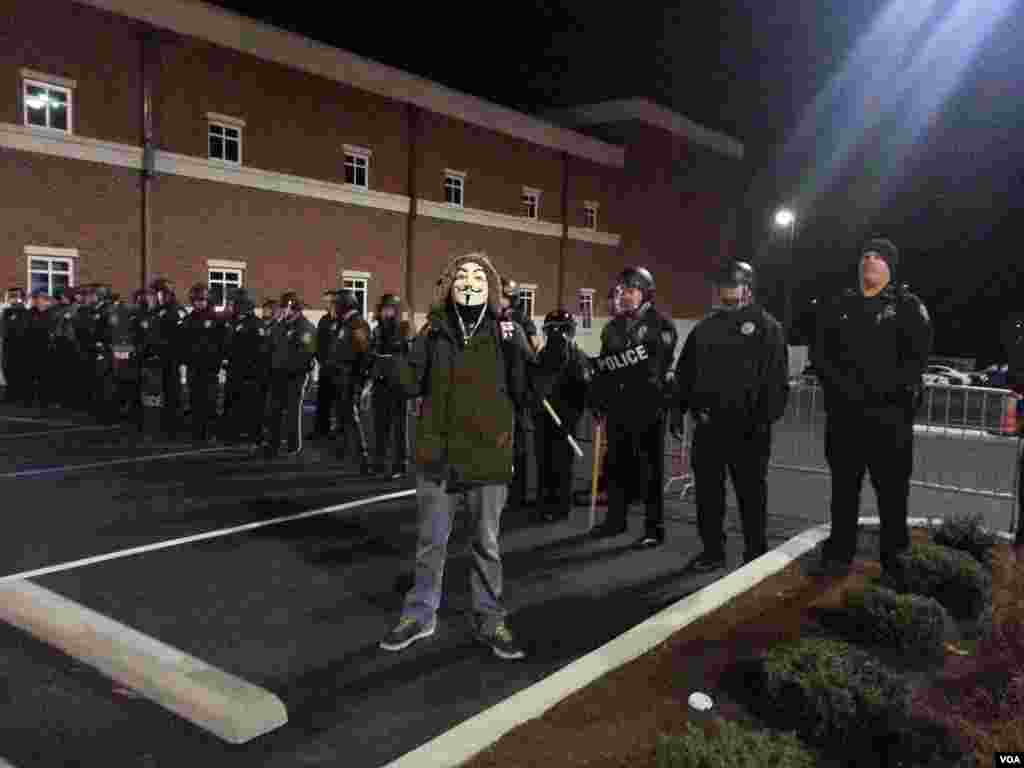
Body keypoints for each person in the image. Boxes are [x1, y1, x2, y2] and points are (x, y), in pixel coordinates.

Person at [379, 251, 552, 661]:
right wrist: (387, 361)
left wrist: (547, 365)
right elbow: (410, 383)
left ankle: (489, 617)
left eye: (478, 276)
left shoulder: (507, 332)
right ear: (448, 285)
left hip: (488, 458)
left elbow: (526, 392)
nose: (469, 281)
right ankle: (420, 614)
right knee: (429, 543)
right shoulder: (433, 332)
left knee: (486, 545)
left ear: (491, 287)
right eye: (461, 275)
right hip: (438, 457)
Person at [812, 238, 933, 575]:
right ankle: (839, 553)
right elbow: (820, 354)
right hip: (845, 418)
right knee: (843, 491)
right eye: (865, 255)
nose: (870, 260)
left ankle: (895, 559)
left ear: (890, 267)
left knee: (892, 494)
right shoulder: (839, 305)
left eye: (878, 257)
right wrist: (842, 388)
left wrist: (880, 391)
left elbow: (916, 360)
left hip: (889, 420)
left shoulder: (908, 307)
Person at [670, 260, 790, 570]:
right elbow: (685, 373)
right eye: (722, 286)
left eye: (732, 285)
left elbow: (777, 382)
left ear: (747, 289)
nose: (725, 292)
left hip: (749, 430)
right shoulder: (706, 328)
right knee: (709, 496)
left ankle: (755, 554)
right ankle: (712, 551)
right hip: (709, 427)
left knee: (751, 496)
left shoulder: (767, 327)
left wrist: (763, 420)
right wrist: (678, 408)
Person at [588, 266, 678, 548]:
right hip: (618, 408)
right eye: (621, 291)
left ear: (645, 293)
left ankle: (654, 527)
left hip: (648, 408)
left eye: (630, 290)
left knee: (650, 471)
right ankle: (615, 520)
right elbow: (604, 367)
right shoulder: (613, 327)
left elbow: (657, 366)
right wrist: (599, 399)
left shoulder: (660, 325)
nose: (624, 296)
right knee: (616, 466)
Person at [532, 309, 592, 523]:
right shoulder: (541, 355)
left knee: (562, 464)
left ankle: (560, 506)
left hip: (565, 420)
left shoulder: (577, 356)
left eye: (562, 330)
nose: (558, 334)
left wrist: (571, 417)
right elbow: (535, 382)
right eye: (553, 330)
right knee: (544, 462)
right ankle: (545, 503)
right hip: (543, 417)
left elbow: (583, 389)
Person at [497, 277, 537, 512]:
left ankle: (517, 494)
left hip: (517, 388)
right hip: (496, 387)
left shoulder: (520, 319)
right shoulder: (491, 319)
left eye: (502, 296)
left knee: (518, 444)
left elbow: (534, 347)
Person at [264, 292, 316, 458]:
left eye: (285, 308)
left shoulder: (305, 327)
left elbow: (305, 354)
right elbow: (272, 346)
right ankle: (273, 443)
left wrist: (290, 368)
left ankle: (294, 446)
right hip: (279, 374)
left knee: (293, 411)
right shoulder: (280, 326)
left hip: (296, 376)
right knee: (274, 409)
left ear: (295, 309)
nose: (282, 311)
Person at [327, 289, 372, 473]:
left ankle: (364, 458)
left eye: (336, 304)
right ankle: (342, 453)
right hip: (340, 376)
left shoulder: (357, 324)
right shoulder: (343, 324)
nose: (333, 308)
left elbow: (365, 353)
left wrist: (360, 381)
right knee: (341, 416)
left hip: (351, 377)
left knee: (352, 418)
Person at [368, 293, 412, 478]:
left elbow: (408, 355)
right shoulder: (377, 330)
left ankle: (400, 465)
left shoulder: (404, 329)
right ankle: (378, 463)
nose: (385, 312)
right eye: (384, 308)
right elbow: (373, 353)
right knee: (379, 425)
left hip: (398, 383)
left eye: (389, 309)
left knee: (398, 428)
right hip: (380, 381)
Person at [222, 288, 269, 449]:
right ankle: (234, 433)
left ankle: (254, 436)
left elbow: (260, 351)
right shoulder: (233, 322)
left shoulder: (255, 324)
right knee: (232, 403)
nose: (229, 306)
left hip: (250, 373)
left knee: (252, 405)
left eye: (232, 303)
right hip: (235, 371)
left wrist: (250, 369)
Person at [180, 283, 227, 443]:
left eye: (202, 300)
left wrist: (218, 359)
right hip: (193, 366)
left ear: (208, 300)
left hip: (209, 366)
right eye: (196, 300)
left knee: (209, 400)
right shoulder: (189, 318)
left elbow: (222, 342)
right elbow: (183, 342)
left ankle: (210, 432)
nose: (199, 303)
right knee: (195, 399)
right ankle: (197, 431)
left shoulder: (216, 318)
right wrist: (185, 358)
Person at [149, 279, 188, 440]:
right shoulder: (159, 310)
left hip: (172, 357)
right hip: (160, 356)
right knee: (163, 390)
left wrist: (168, 349)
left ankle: (174, 424)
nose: (157, 297)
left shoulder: (176, 310)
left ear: (168, 294)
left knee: (173, 390)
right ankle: (165, 420)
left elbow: (180, 335)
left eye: (160, 293)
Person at [311, 290, 339, 440]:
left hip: (337, 367)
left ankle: (336, 430)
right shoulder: (324, 320)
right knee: (322, 399)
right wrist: (320, 358)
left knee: (337, 401)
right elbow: (319, 340)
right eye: (325, 301)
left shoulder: (341, 320)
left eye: (328, 301)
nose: (326, 304)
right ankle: (321, 429)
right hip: (325, 366)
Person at [2, 288, 30, 404]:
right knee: (8, 368)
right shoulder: (7, 311)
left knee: (17, 369)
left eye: (16, 296)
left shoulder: (23, 311)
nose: (13, 298)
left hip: (19, 343)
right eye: (12, 296)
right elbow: (3, 326)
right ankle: (11, 393)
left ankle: (18, 395)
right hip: (8, 342)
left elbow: (23, 327)